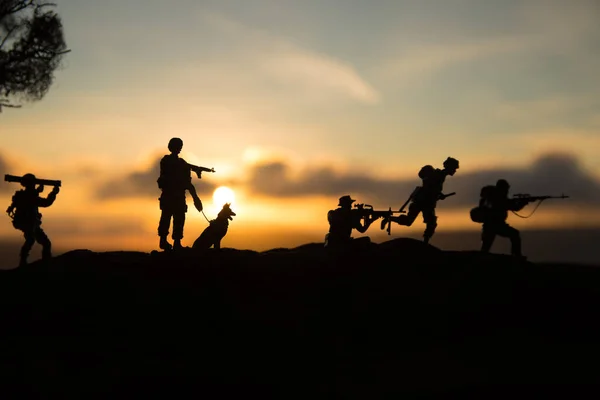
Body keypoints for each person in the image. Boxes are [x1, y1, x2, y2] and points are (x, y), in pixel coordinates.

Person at [381, 157, 459, 244]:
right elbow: (430, 187)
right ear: (450, 167)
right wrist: (438, 195)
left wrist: (439, 195)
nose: (455, 171)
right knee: (430, 223)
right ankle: (425, 243)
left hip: (422, 201)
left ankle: (389, 219)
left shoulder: (440, 175)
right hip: (425, 202)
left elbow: (433, 188)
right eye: (454, 168)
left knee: (411, 221)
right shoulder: (439, 175)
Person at [157, 137, 215, 250]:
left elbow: (188, 177)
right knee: (166, 218)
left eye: (180, 146)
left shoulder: (181, 162)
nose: (179, 148)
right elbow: (182, 178)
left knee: (179, 219)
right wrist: (195, 197)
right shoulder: (167, 161)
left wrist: (199, 170)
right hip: (170, 196)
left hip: (178, 197)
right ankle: (163, 241)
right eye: (177, 146)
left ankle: (176, 242)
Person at [5, 173, 60, 267]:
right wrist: (53, 193)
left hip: (32, 223)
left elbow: (31, 197)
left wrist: (39, 191)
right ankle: (25, 261)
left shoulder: (24, 195)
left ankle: (44, 261)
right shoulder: (29, 196)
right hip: (28, 223)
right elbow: (46, 202)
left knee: (44, 243)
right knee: (32, 240)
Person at [478, 179, 528, 257]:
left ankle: (516, 255)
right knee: (514, 234)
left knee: (485, 248)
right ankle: (516, 255)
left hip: (491, 225)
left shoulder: (491, 197)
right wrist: (523, 203)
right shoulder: (498, 198)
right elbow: (514, 207)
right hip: (495, 225)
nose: (507, 191)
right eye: (506, 189)